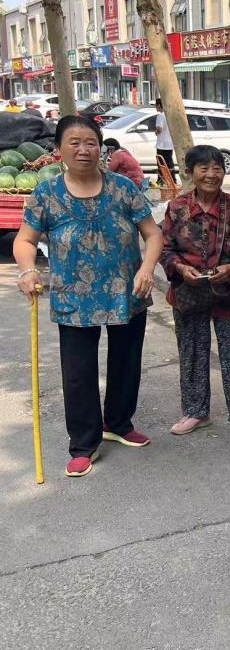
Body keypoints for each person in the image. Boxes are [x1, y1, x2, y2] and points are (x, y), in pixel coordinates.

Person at [13, 115, 163, 478]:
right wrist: (27, 270)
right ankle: (83, 443)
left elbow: (153, 234)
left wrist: (146, 269)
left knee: (127, 361)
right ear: (59, 149)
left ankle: (118, 423)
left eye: (91, 142)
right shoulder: (46, 194)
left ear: (101, 148)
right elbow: (25, 240)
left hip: (127, 292)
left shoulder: (123, 188)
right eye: (75, 142)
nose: (84, 149)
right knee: (78, 372)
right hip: (73, 298)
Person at [162, 145, 230, 444]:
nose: (211, 174)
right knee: (191, 351)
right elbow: (165, 248)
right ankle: (196, 411)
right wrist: (180, 268)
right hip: (188, 292)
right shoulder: (176, 208)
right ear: (190, 172)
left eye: (217, 168)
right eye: (203, 168)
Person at [154, 97, 177, 183]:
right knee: (169, 162)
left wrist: (156, 132)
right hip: (169, 143)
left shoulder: (160, 116)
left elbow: (160, 129)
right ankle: (172, 180)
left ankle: (161, 180)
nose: (156, 107)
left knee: (161, 163)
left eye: (156, 105)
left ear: (159, 105)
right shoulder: (170, 115)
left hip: (162, 144)